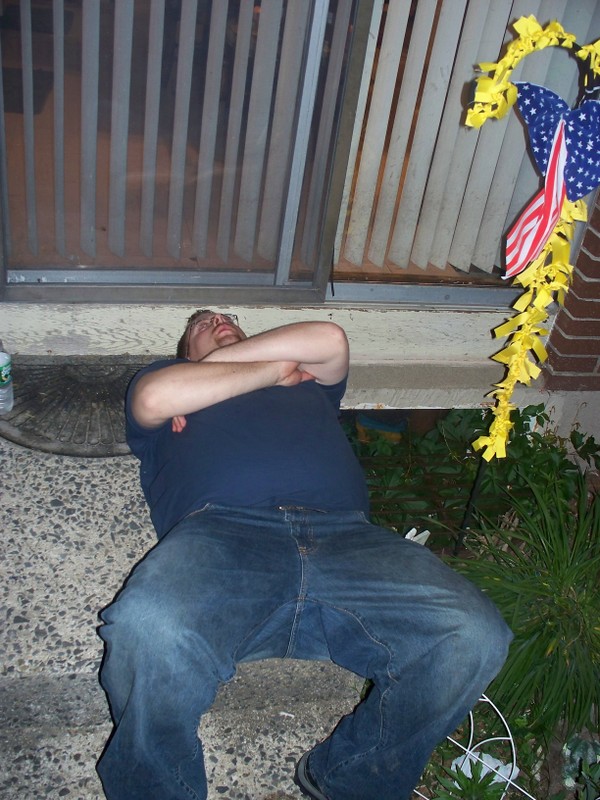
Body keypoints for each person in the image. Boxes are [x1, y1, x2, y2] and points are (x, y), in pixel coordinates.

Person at [97, 310, 512, 800]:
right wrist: (274, 369)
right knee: (147, 625)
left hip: (349, 541)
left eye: (227, 317)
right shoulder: (172, 377)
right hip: (222, 538)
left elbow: (329, 338)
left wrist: (224, 374)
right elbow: (154, 397)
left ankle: (350, 779)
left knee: (474, 633)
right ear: (183, 352)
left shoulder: (310, 383)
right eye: (202, 323)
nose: (219, 320)